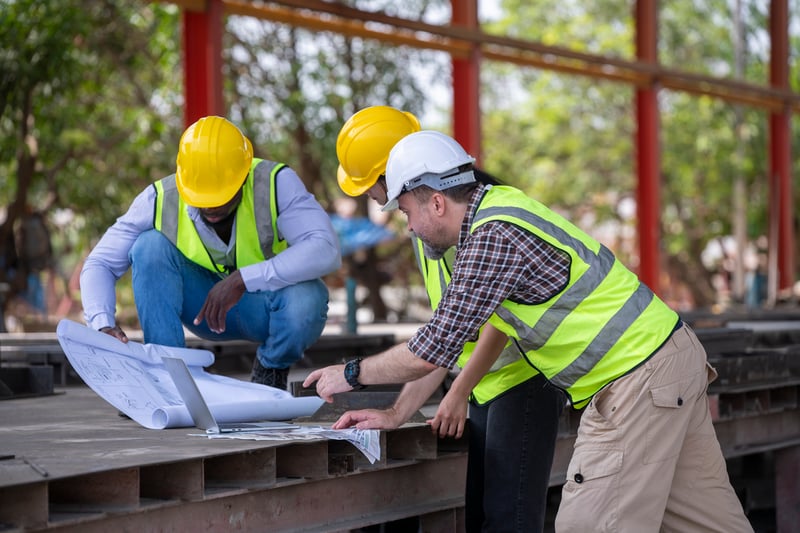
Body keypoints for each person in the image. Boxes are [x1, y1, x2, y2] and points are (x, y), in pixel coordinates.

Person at [305, 130, 753, 532]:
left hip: (636, 382)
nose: (411, 227)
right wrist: (398, 414)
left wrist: (350, 374)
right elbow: (451, 339)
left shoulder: (490, 238)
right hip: (670, 362)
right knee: (708, 524)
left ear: (436, 202)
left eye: (406, 212)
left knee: (586, 524)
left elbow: (434, 346)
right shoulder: (502, 209)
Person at [329, 106, 565, 533]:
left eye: (369, 184)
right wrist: (398, 411)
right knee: (483, 517)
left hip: (522, 379)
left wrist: (458, 389)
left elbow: (498, 321)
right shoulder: (427, 225)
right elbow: (443, 332)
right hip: (488, 385)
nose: (368, 196)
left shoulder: (471, 221)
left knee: (508, 520)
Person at [81, 116, 341, 390]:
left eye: (221, 197)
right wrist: (101, 325)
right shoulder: (158, 198)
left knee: (308, 298)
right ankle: (166, 376)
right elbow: (100, 263)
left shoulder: (275, 183)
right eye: (201, 198)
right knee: (148, 246)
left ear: (243, 177)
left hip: (264, 307)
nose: (211, 209)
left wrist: (243, 279)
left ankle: (270, 367)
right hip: (200, 309)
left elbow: (325, 248)